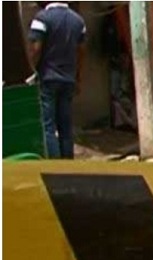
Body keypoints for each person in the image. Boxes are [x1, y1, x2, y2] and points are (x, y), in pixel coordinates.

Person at [27, 2, 86, 159]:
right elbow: (81, 52)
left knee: (48, 126)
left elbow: (36, 49)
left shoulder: (41, 19)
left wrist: (33, 70)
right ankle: (67, 162)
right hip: (68, 79)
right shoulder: (78, 21)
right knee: (65, 125)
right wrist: (78, 77)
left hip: (48, 78)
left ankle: (54, 163)